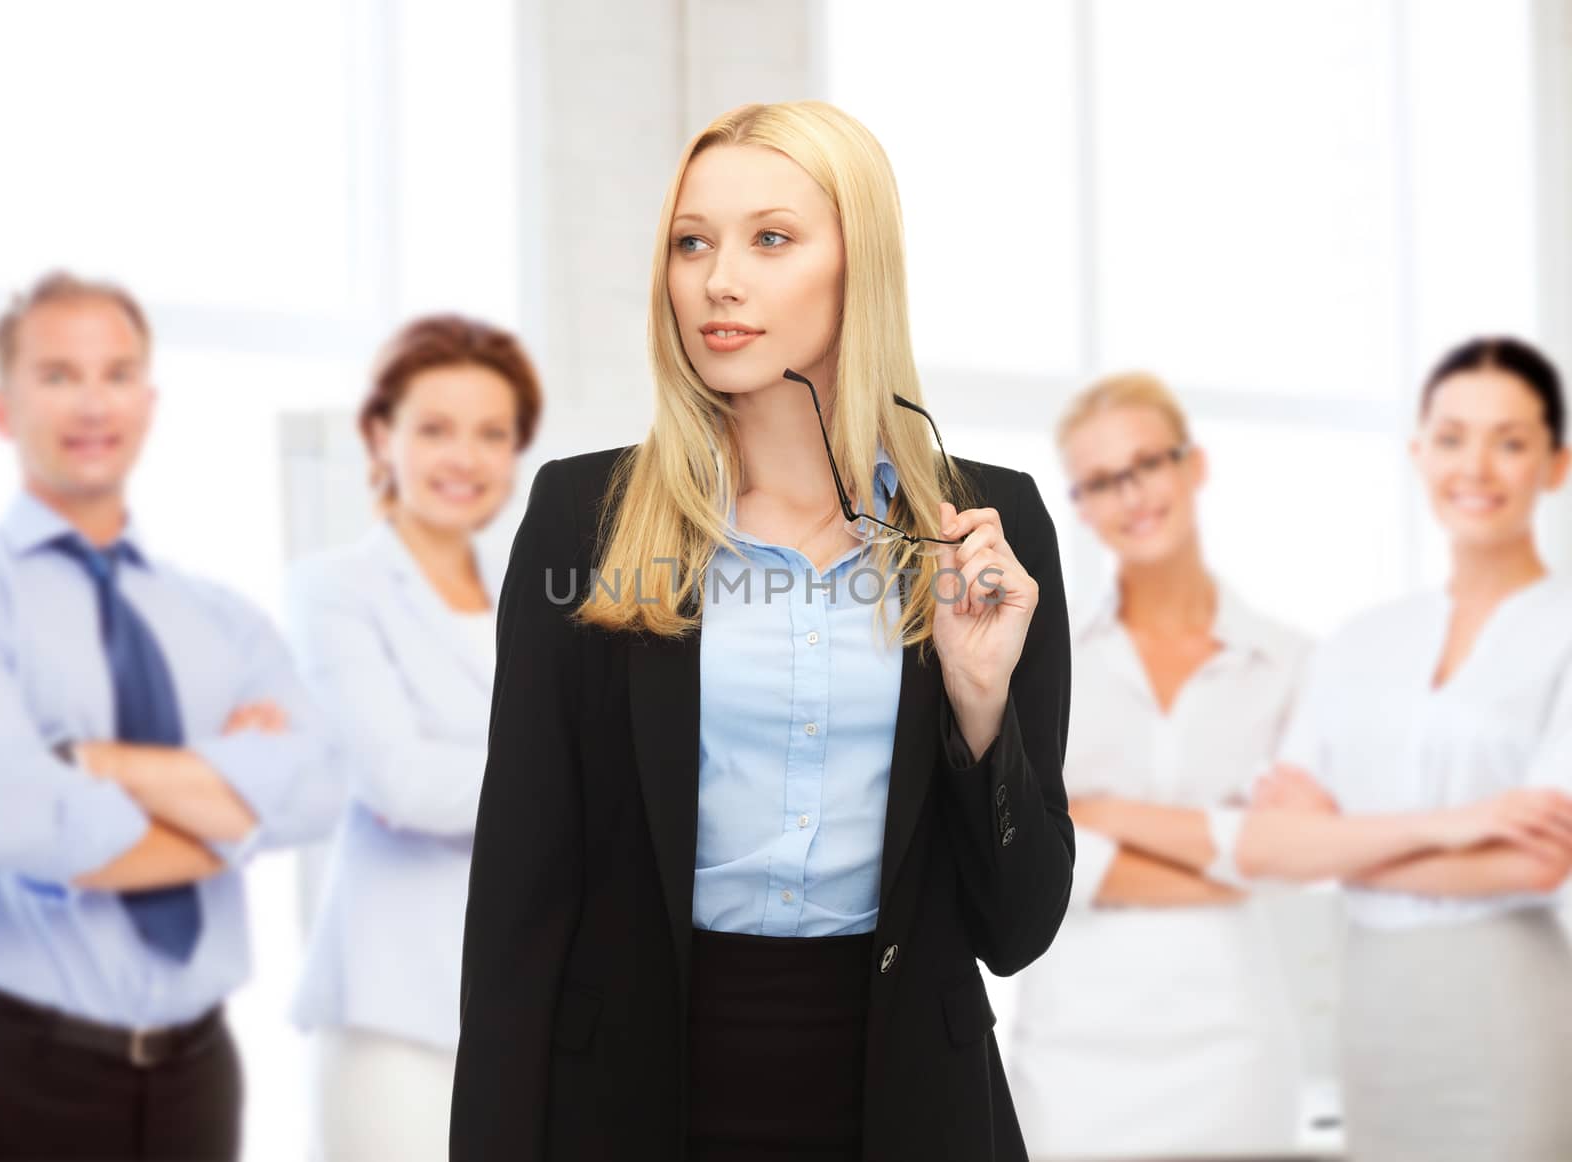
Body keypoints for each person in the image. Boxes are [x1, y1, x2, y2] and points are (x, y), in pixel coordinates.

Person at [449, 100, 1076, 1162]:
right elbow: (519, 898)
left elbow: (1014, 931)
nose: (716, 279)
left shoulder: (985, 531)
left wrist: (977, 708)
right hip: (633, 1101)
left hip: (910, 1106)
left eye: (769, 239)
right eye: (691, 243)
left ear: (859, 264)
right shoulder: (582, 517)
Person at [0, 271, 341, 1162]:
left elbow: (320, 788)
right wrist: (231, 805)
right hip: (22, 1073)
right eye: (58, 374)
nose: (92, 400)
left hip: (200, 1074)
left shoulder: (221, 618)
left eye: (116, 372)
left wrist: (97, 761)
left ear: (148, 400)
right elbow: (22, 822)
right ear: (1, 408)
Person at [1230, 337, 1572, 1160]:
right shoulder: (1359, 643)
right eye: (1451, 437)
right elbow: (1268, 845)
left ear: (1555, 465)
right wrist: (1461, 828)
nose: (1476, 466)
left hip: (1512, 1001)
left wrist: (1337, 843)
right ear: (1418, 452)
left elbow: (1538, 862)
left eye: (1511, 441)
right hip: (1375, 1006)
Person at [1003, 372, 1306, 1158]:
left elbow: (1300, 851)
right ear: (1080, 504)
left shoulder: (1288, 663)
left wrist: (1102, 820)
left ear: (1192, 467)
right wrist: (1231, 852)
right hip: (1074, 1050)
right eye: (1101, 481)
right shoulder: (1045, 657)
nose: (1130, 495)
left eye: (1148, 464)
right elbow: (1030, 846)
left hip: (1235, 1043)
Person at [287, 314, 542, 1161]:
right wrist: (569, 777)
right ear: (379, 436)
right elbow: (399, 781)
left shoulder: (534, 597)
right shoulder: (336, 590)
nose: (464, 459)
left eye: (491, 434)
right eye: (434, 430)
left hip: (521, 1005)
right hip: (396, 1014)